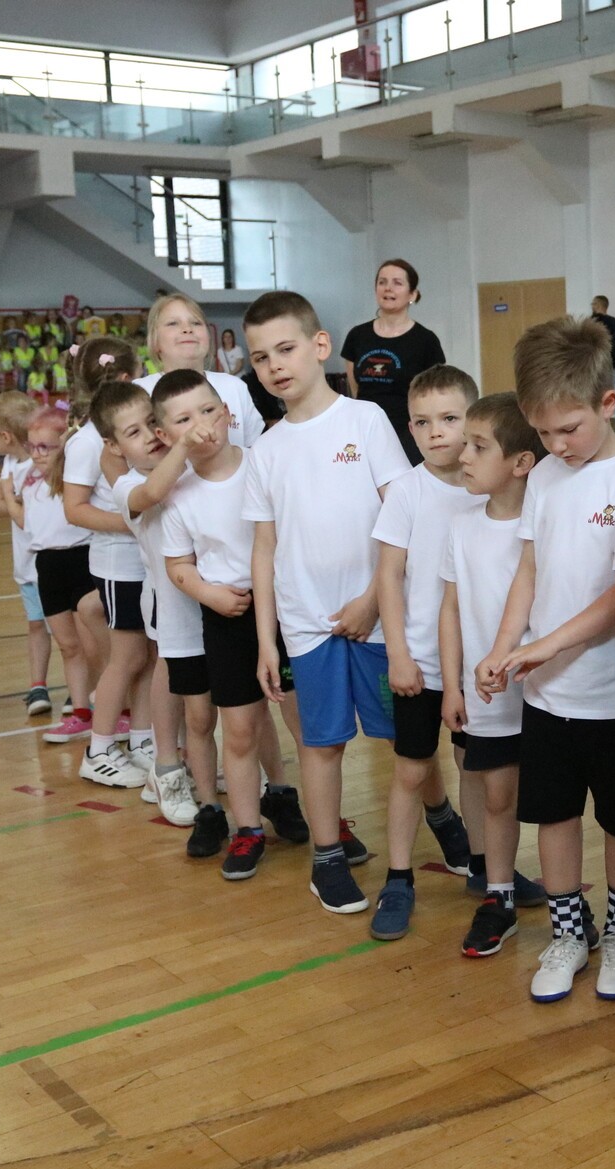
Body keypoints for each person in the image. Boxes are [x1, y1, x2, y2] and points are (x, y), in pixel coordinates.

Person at [478, 316, 615, 1004]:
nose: (555, 445)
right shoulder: (546, 476)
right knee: (553, 817)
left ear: (608, 402)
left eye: (568, 430)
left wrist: (548, 644)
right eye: (543, 432)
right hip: (548, 697)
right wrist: (503, 647)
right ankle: (568, 934)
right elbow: (529, 568)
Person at [243, 289, 410, 911]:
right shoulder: (265, 450)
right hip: (307, 627)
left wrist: (373, 599)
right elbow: (264, 549)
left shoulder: (366, 421)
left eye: (285, 349)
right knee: (320, 745)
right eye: (260, 358)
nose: (275, 366)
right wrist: (267, 640)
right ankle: (327, 859)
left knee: (406, 740)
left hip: (377, 620)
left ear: (319, 346)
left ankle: (446, 824)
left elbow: (403, 518)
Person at [160, 374, 306, 866]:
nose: (201, 426)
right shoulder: (178, 494)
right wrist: (209, 594)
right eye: (183, 419)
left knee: (306, 725)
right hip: (228, 618)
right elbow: (178, 565)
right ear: (165, 434)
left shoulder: (263, 464)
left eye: (207, 411)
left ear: (226, 412)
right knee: (239, 730)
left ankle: (326, 822)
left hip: (287, 610)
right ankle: (247, 829)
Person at [371, 365, 488, 939]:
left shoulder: (490, 488)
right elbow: (388, 578)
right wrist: (399, 655)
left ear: (473, 419)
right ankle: (398, 879)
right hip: (419, 659)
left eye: (448, 418)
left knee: (477, 769)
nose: (435, 431)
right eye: (421, 422)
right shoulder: (407, 492)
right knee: (412, 770)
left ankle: (488, 871)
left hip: (478, 667)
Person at [444, 394, 549, 958]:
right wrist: (453, 685)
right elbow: (450, 610)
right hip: (486, 695)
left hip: (546, 693)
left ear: (521, 462)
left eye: (478, 446)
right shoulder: (461, 526)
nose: (463, 455)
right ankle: (499, 895)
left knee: (554, 802)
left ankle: (568, 906)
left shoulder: (545, 524)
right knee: (498, 795)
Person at [97, 378, 211, 828]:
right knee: (168, 678)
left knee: (207, 696)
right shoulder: (127, 485)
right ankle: (166, 769)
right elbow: (153, 493)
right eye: (133, 432)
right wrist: (183, 444)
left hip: (210, 599)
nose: (149, 437)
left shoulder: (193, 466)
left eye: (151, 424)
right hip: (170, 602)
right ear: (114, 447)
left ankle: (199, 764)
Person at [61, 338, 156, 788]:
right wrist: (135, 523)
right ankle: (98, 749)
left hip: (143, 562)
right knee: (127, 657)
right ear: (126, 377)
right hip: (120, 565)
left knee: (148, 656)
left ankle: (142, 737)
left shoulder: (137, 429)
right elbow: (75, 509)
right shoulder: (88, 441)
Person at [11, 408, 96, 741]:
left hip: (82, 560)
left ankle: (117, 709)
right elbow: (29, 524)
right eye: (32, 446)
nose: (37, 454)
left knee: (92, 645)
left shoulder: (77, 483)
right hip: (47, 566)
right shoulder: (27, 481)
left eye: (45, 447)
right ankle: (81, 712)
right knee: (68, 646)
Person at [0, 391, 55, 716]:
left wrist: (12, 497)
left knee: (70, 634)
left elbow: (18, 510)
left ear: (5, 436)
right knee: (36, 625)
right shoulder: (10, 463)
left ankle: (80, 693)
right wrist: (13, 499)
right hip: (26, 566)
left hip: (50, 562)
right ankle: (38, 685)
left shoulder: (42, 465)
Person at [342, 258, 446, 465]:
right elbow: (356, 389)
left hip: (407, 433)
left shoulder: (426, 340)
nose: (388, 288)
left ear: (412, 294)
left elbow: (435, 393)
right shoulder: (357, 336)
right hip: (364, 431)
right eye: (382, 282)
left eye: (397, 283)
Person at [133, 294, 265, 449]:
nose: (187, 329)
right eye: (173, 323)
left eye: (196, 323)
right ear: (154, 341)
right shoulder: (139, 393)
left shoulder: (234, 386)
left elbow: (255, 450)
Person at [589, 295, 615, 443]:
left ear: (598, 305)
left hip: (596, 372)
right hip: (614, 370)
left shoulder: (591, 323)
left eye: (593, 304)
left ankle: (596, 439)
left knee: (594, 405)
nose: (592, 306)